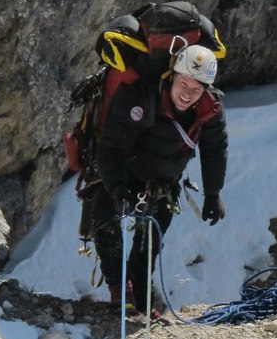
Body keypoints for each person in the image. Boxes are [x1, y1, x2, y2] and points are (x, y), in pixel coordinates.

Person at [92, 43, 228, 316]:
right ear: (172, 77)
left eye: (196, 90)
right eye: (184, 84)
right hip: (125, 173)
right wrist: (117, 188)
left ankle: (140, 298)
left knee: (150, 240)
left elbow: (215, 149)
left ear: (205, 91)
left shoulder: (209, 110)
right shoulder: (139, 97)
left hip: (163, 183)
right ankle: (119, 288)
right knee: (105, 217)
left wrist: (213, 194)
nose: (187, 95)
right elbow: (111, 149)